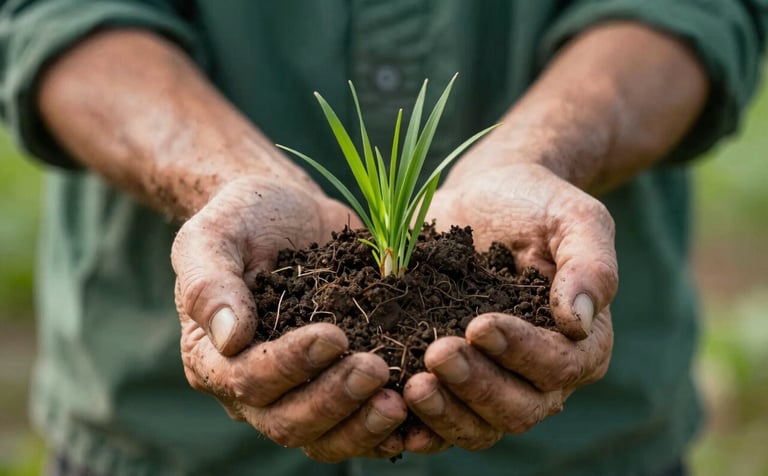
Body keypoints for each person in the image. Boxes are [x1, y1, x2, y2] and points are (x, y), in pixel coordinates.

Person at [0, 1, 765, 475]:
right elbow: (56, 13)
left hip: (585, 453)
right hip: (164, 443)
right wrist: (223, 179)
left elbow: (691, 8)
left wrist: (539, 153)